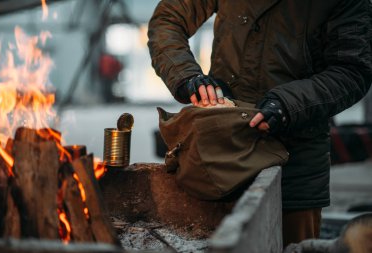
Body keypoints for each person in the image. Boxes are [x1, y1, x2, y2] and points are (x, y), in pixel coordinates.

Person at [147, 0, 372, 247]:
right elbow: (168, 19)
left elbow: (351, 70)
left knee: (293, 246)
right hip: (220, 150)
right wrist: (187, 76)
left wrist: (288, 104)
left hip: (295, 159)